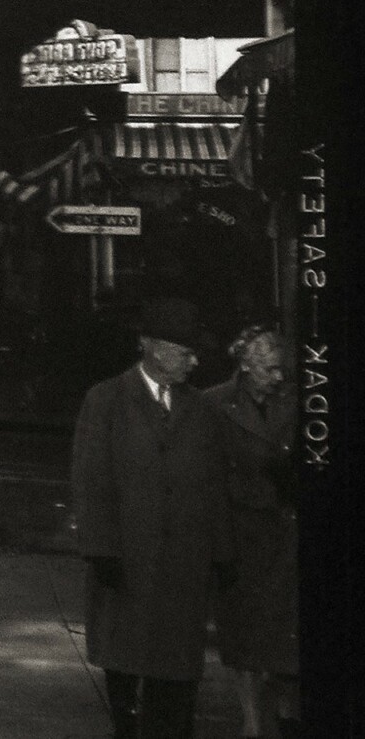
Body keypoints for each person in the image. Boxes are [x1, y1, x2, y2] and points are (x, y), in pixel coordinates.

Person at [72, 297, 234, 739]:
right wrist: (101, 550)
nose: (195, 362)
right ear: (156, 349)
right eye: (187, 353)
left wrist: (221, 553)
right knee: (126, 664)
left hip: (184, 565)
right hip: (127, 563)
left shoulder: (201, 411)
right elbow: (91, 480)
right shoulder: (106, 400)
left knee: (177, 676)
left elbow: (214, 484)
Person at [204, 326, 299, 739]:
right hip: (240, 531)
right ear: (246, 365)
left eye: (282, 370)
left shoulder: (297, 403)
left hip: (284, 528)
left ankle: (283, 710)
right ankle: (252, 719)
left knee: (282, 626)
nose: (278, 378)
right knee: (242, 627)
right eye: (270, 370)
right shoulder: (215, 405)